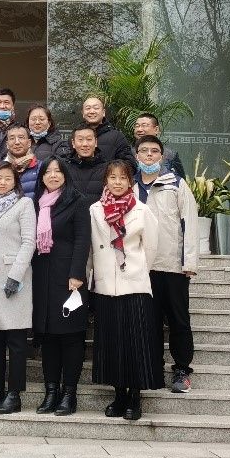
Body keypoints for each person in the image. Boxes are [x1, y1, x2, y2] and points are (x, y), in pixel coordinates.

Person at [89, 159, 164, 422]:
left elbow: (151, 248)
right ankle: (118, 394)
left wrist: (137, 269)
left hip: (134, 283)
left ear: (130, 181)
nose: (118, 182)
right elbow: (91, 249)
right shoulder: (95, 210)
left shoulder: (142, 210)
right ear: (106, 181)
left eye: (123, 178)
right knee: (112, 343)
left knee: (135, 343)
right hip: (106, 285)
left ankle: (134, 396)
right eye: (113, 177)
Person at [134, 135, 198, 393]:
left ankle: (182, 370)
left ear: (161, 157)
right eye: (144, 151)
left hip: (172, 266)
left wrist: (189, 261)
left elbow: (190, 223)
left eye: (154, 151)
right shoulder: (130, 187)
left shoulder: (176, 184)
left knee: (178, 321)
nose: (149, 155)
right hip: (142, 268)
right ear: (137, 156)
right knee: (148, 322)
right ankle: (153, 368)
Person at [30, 157, 90, 417]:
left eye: (58, 171)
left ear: (65, 175)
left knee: (71, 336)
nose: (53, 175)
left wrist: (76, 273)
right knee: (49, 337)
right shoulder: (37, 203)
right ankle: (51, 391)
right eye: (48, 172)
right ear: (41, 176)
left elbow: (83, 239)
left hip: (68, 278)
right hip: (42, 277)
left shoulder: (77, 201)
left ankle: (69, 394)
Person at [0, 161, 36, 415]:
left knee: (16, 340)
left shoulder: (24, 204)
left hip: (14, 279)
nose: (2, 182)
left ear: (15, 182)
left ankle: (14, 394)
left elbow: (29, 242)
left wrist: (15, 275)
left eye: (7, 178)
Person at [81, 96, 136, 169]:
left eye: (96, 108)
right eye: (88, 108)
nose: (92, 111)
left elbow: (130, 164)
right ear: (83, 113)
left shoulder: (117, 137)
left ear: (103, 112)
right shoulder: (75, 137)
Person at [62, 125, 108, 205]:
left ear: (96, 142)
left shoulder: (108, 168)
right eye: (80, 140)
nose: (85, 144)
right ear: (73, 143)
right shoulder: (64, 168)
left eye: (89, 139)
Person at [133, 113, 186, 180]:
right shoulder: (128, 153)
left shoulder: (170, 155)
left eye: (144, 125)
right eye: (137, 126)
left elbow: (180, 180)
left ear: (156, 129)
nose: (139, 129)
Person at [3, 124, 41, 198]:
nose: (17, 142)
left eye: (21, 137)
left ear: (29, 143)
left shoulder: (40, 167)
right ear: (7, 144)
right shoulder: (0, 168)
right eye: (12, 138)